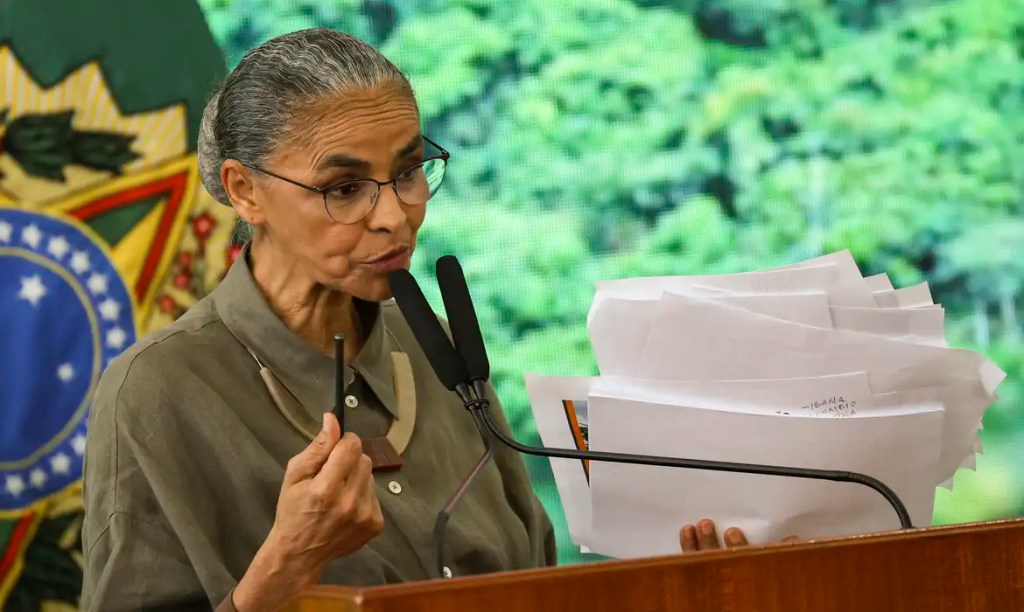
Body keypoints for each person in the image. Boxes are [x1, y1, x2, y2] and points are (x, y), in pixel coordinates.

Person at [80, 28, 751, 612]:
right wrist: (283, 570)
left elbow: (540, 582)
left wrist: (681, 582)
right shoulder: (155, 391)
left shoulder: (446, 356)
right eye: (344, 189)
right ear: (244, 190)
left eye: (409, 172)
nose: (395, 216)